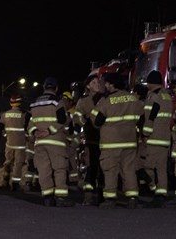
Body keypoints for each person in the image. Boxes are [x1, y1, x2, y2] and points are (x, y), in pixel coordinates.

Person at [92, 72, 144, 209]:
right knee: (129, 169)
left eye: (107, 83)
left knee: (110, 170)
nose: (106, 86)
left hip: (111, 144)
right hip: (130, 141)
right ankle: (132, 197)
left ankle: (110, 198)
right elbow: (142, 117)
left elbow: (97, 122)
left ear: (111, 84)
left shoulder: (107, 101)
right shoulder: (133, 98)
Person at [28, 77, 74, 207]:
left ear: (44, 87)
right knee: (59, 169)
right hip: (55, 142)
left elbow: (29, 122)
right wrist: (49, 131)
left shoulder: (34, 103)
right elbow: (61, 120)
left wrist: (34, 132)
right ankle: (61, 198)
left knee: (43, 170)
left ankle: (47, 197)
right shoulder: (57, 101)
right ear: (56, 88)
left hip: (39, 142)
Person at [137, 70, 173, 208]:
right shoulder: (166, 96)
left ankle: (157, 193)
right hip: (164, 138)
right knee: (161, 168)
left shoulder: (154, 97)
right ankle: (161, 193)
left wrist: (145, 133)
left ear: (151, 83)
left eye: (148, 83)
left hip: (154, 138)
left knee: (147, 166)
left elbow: (151, 117)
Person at [73, 74, 104, 205]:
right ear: (88, 86)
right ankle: (89, 196)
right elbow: (77, 118)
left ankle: (103, 196)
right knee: (91, 168)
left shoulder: (105, 98)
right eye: (94, 83)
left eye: (98, 82)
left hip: (106, 139)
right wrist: (84, 121)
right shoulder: (83, 101)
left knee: (105, 168)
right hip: (91, 139)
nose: (97, 85)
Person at [0, 94, 28, 191]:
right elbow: (28, 128)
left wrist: (6, 135)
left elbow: (0, 128)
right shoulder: (24, 114)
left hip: (9, 143)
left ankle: (5, 181)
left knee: (8, 162)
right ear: (20, 103)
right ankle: (15, 184)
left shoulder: (5, 114)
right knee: (18, 164)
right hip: (20, 144)